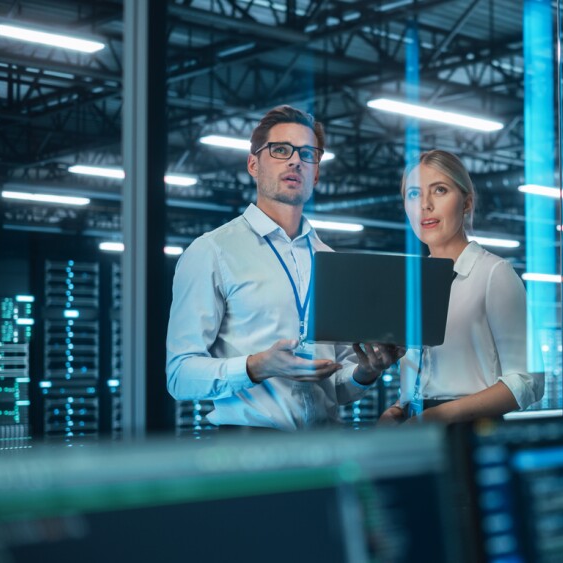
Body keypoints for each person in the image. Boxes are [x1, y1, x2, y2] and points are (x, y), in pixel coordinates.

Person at [166, 105, 401, 430]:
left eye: (308, 154)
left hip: (327, 447)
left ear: (316, 172)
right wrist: (257, 366)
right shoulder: (212, 251)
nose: (295, 160)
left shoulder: (330, 260)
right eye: (280, 150)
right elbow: (179, 376)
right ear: (253, 164)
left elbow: (338, 389)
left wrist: (366, 372)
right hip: (250, 453)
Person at [379, 150, 543, 424]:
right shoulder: (412, 284)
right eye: (414, 194)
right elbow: (426, 377)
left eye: (439, 190)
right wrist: (399, 407)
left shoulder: (493, 274)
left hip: (471, 428)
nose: (425, 205)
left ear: (466, 203)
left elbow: (528, 381)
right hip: (416, 428)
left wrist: (440, 415)